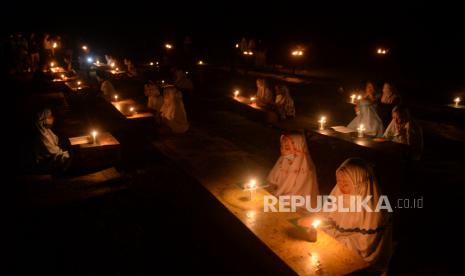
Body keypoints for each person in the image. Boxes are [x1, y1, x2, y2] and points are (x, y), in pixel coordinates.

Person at [321, 158, 392, 274]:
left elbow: (364, 247)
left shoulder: (373, 211)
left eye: (346, 183)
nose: (340, 186)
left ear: (360, 185)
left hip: (359, 264)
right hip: (333, 248)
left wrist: (332, 239)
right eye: (338, 181)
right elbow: (325, 218)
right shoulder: (337, 193)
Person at [267, 133, 319, 206]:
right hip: (280, 196)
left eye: (287, 148)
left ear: (298, 149)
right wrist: (274, 190)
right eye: (281, 147)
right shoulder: (283, 161)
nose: (283, 151)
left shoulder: (305, 169)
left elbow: (299, 193)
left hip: (296, 202)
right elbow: (272, 180)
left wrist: (279, 196)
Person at [33, 108, 71, 172]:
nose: (52, 118)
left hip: (53, 156)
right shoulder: (41, 135)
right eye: (50, 116)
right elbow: (51, 151)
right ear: (44, 119)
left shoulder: (47, 131)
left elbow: (56, 141)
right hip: (45, 162)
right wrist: (63, 151)